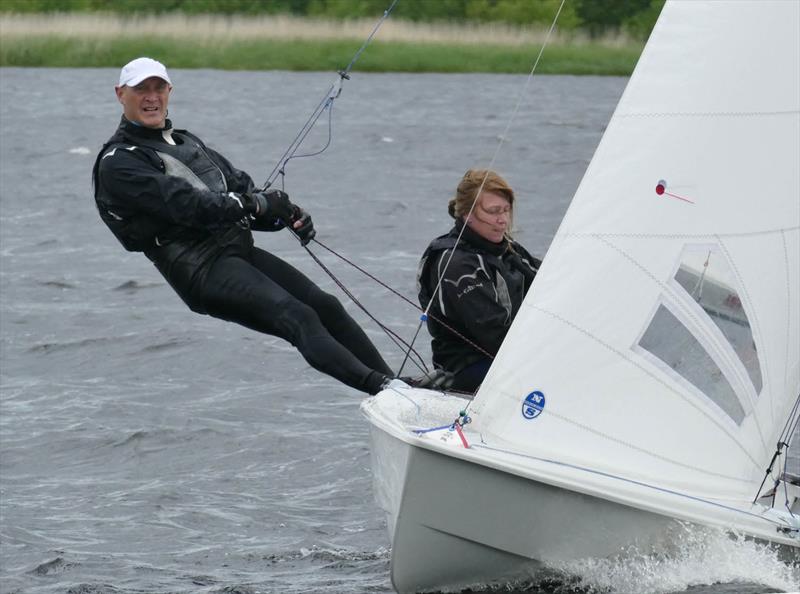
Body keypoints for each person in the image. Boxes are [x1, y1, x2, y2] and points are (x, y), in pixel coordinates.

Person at [92, 57, 401, 395]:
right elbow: (188, 204)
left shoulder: (187, 142)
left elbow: (239, 190)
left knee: (325, 306)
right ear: (121, 94)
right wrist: (257, 203)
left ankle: (398, 384)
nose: (151, 97)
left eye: (158, 88)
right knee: (298, 316)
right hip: (201, 270)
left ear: (169, 91)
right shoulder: (119, 162)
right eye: (141, 90)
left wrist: (284, 213)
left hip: (237, 252)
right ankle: (386, 392)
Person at [417, 169, 542, 393]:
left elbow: (548, 282)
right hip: (469, 367)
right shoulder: (457, 265)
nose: (503, 220)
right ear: (467, 215)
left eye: (506, 210)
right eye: (494, 211)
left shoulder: (506, 248)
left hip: (512, 355)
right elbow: (495, 336)